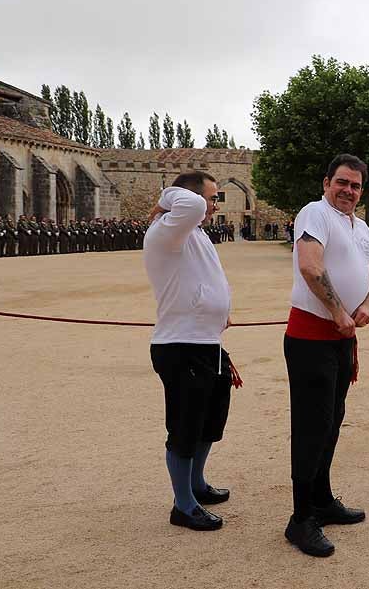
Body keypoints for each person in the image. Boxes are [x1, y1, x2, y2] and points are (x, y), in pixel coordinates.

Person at [283, 154, 369, 557]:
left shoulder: (360, 227)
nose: (348, 190)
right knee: (311, 426)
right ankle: (300, 517)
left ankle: (321, 500)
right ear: (327, 182)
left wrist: (367, 306)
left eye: (356, 186)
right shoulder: (315, 213)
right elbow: (310, 267)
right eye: (342, 182)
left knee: (331, 422)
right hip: (312, 336)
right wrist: (338, 310)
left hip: (341, 339)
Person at [144, 172, 236, 532]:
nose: (215, 205)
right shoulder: (167, 231)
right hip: (180, 345)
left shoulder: (194, 231)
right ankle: (183, 505)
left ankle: (196, 483)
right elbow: (192, 203)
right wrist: (170, 196)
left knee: (209, 422)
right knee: (185, 427)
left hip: (206, 342)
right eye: (213, 198)